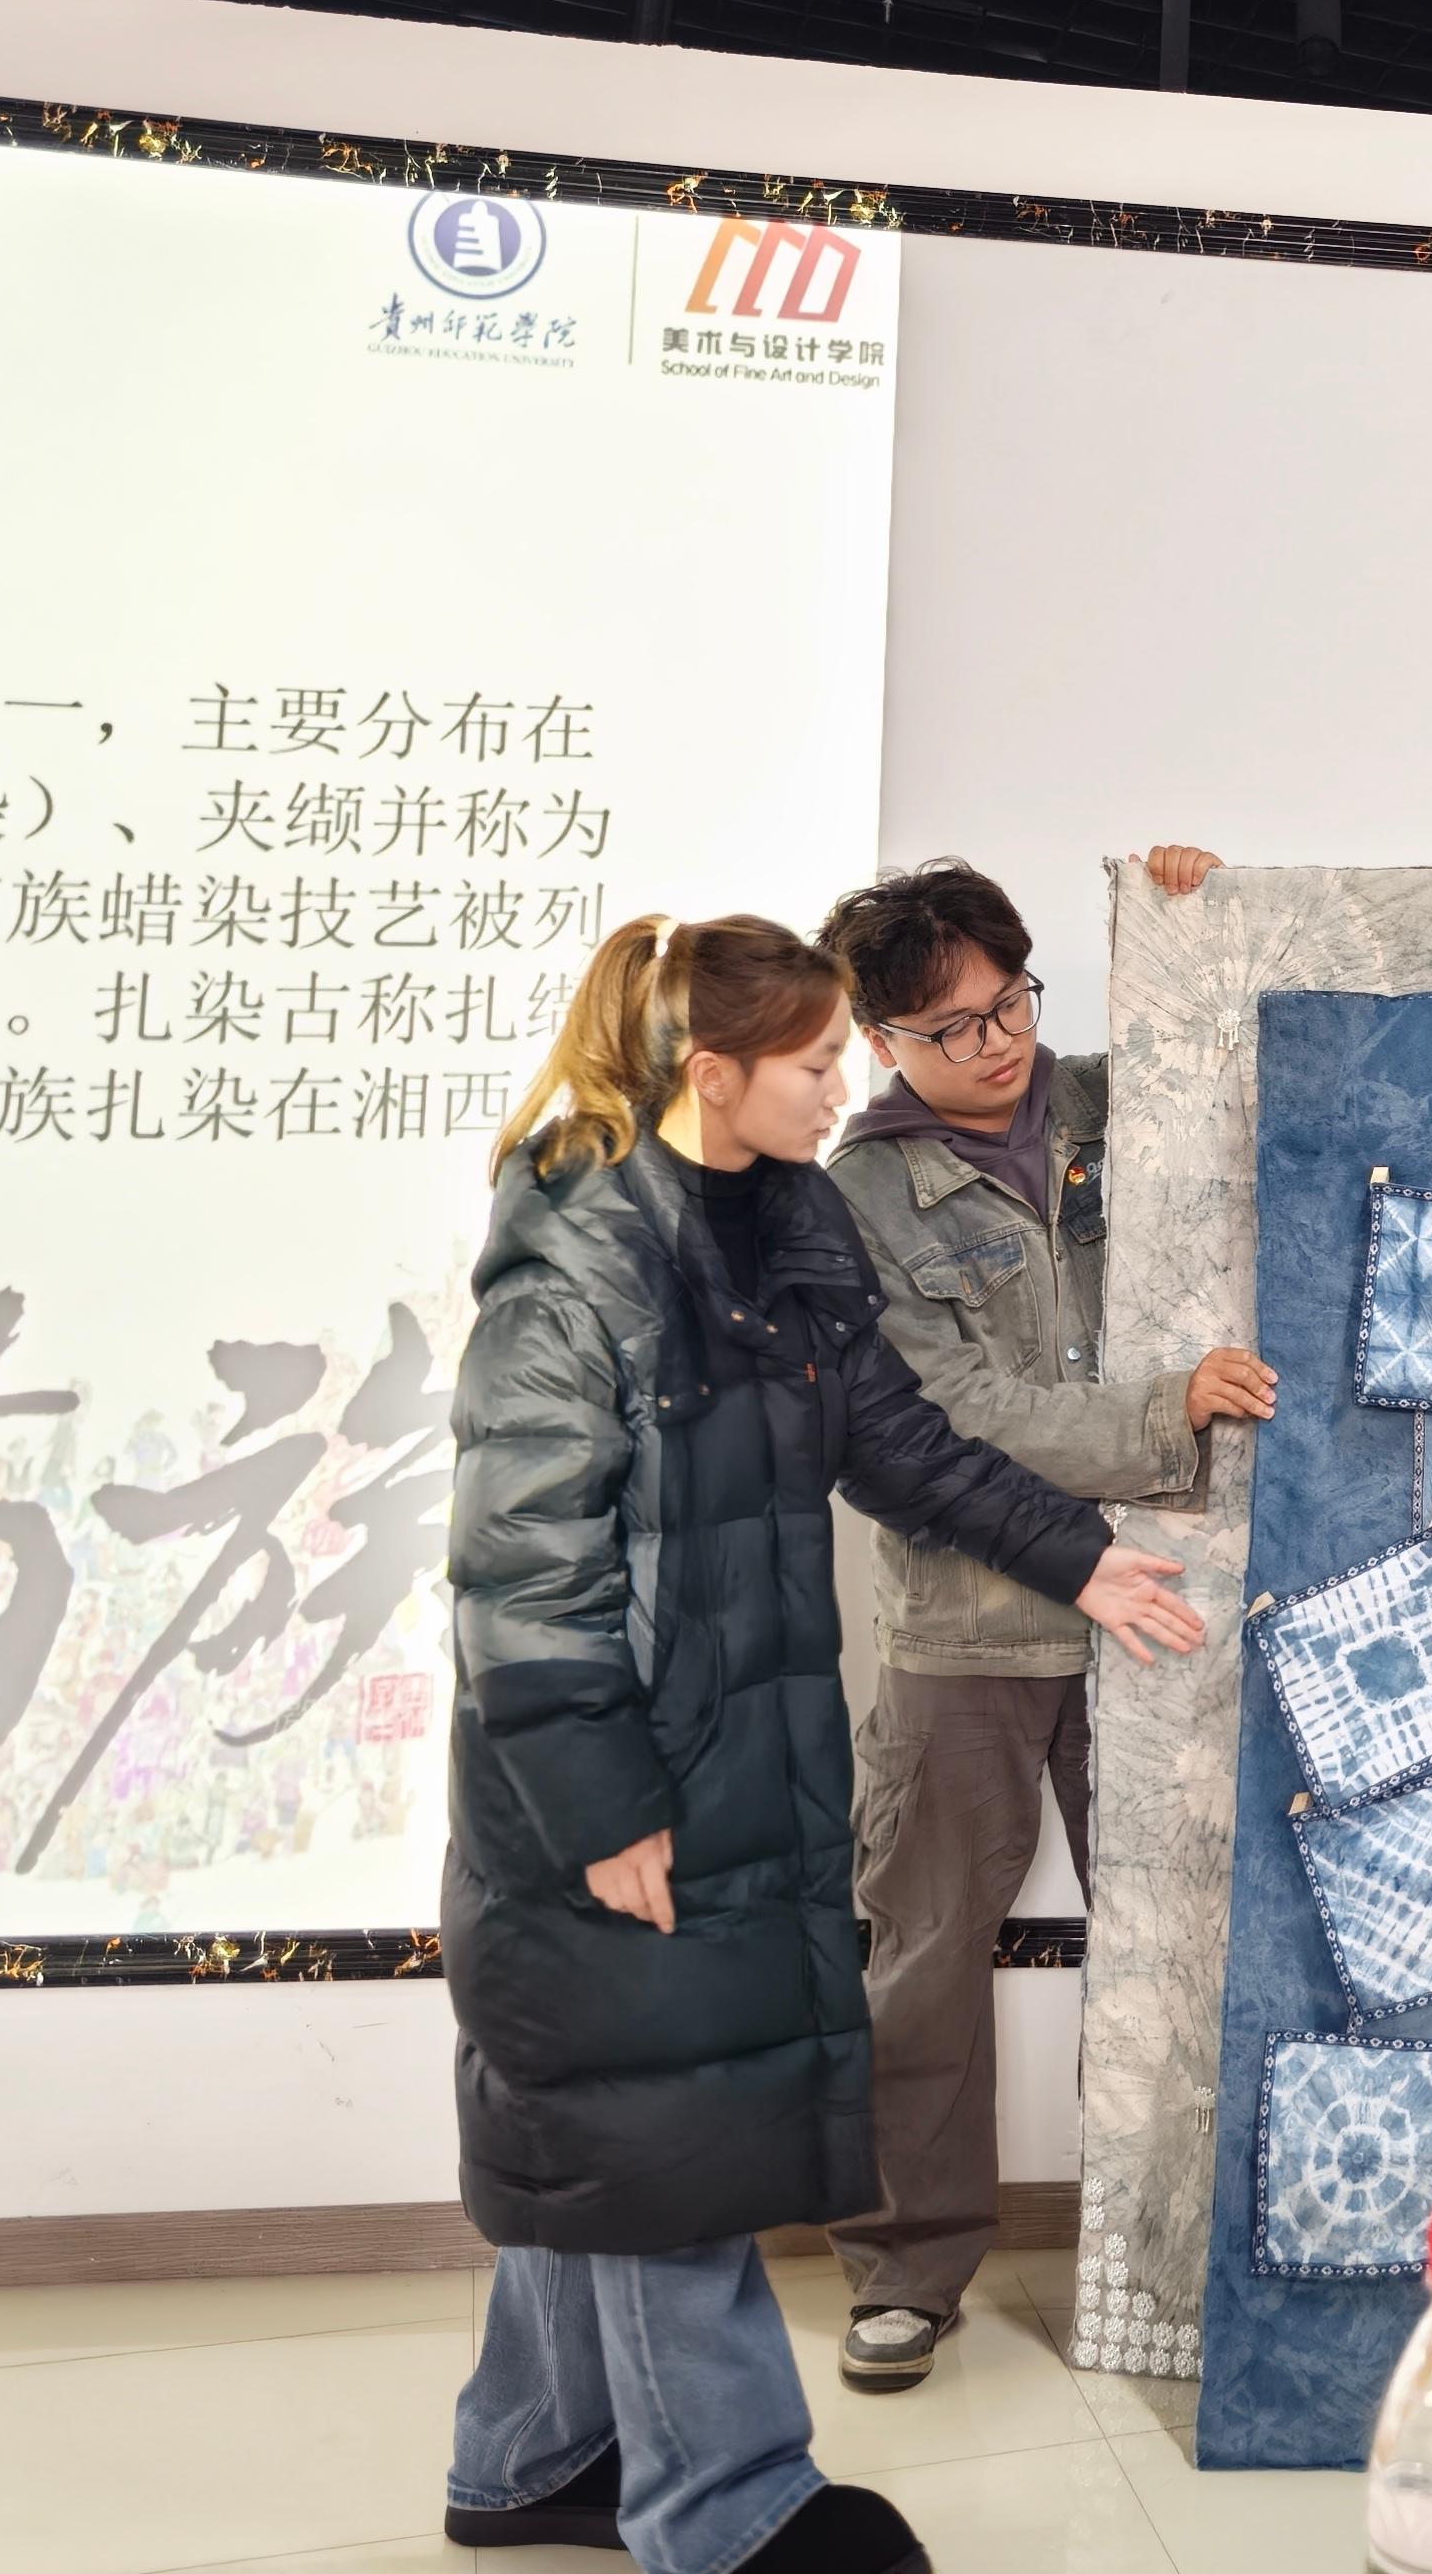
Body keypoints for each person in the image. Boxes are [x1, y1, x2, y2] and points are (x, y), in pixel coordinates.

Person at [435, 913, 1207, 2572]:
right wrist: (597, 1805)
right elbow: (520, 1570)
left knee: (598, 2111)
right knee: (665, 2136)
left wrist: (1079, 1556)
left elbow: (899, 1441)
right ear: (711, 1076)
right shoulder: (576, 1268)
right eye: (810, 1061)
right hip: (612, 1777)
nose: (845, 1083)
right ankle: (729, 2511)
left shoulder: (786, 1224)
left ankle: (527, 2458)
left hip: (733, 1749)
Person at [809, 850, 1279, 2390]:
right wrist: (1163, 1413)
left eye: (1009, 1002)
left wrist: (1201, 911)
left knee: (1174, 1937)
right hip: (967, 1628)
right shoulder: (859, 1199)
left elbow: (1248, 1044)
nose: (996, 1043)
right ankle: (907, 2270)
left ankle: (1165, 2265)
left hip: (1154, 1607)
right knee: (926, 1956)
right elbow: (957, 1413)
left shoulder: (1109, 1105)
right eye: (951, 1028)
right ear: (882, 1038)